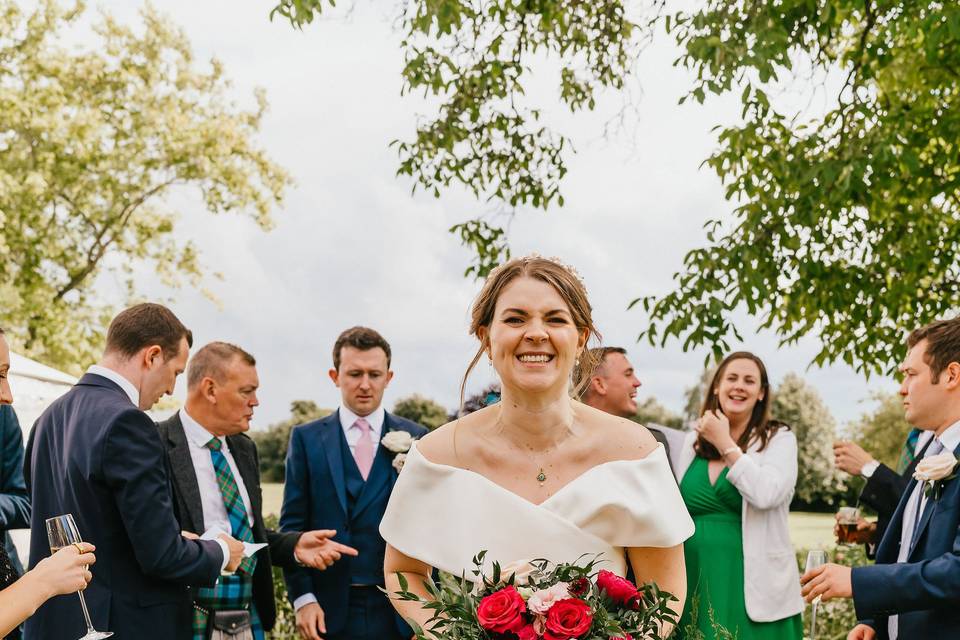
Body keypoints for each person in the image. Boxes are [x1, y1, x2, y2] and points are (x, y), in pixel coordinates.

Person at [379, 255, 694, 637]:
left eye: (555, 319)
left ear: (580, 339)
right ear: (485, 336)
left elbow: (664, 595)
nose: (535, 333)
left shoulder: (634, 452)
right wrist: (453, 635)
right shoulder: (438, 455)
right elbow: (403, 571)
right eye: (515, 319)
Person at [24, 304, 244, 640]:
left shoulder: (47, 420)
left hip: (54, 624)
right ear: (152, 356)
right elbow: (162, 556)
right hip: (121, 626)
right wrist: (222, 551)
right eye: (175, 372)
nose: (171, 389)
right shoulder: (128, 422)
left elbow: (93, 522)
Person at [156, 341, 359, 640]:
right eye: (246, 391)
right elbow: (155, 542)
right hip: (184, 619)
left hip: (247, 617)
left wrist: (294, 547)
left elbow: (249, 535)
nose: (256, 402)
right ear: (210, 390)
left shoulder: (243, 448)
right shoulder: (156, 444)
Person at [801, 318, 960, 640]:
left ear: (951, 376)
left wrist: (857, 583)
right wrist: (877, 622)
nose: (901, 388)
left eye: (911, 374)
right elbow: (911, 548)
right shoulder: (929, 450)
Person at [280, 326, 428, 640]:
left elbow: (429, 528)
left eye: (374, 374)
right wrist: (303, 599)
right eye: (354, 374)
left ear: (389, 378)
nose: (364, 385)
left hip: (400, 609)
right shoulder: (306, 439)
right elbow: (291, 526)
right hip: (328, 610)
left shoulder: (417, 438)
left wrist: (426, 611)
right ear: (335, 376)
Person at [674, 352, 803, 639]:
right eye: (732, 378)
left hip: (751, 583)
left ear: (761, 393)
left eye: (749, 381)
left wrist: (724, 442)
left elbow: (767, 493)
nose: (739, 386)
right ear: (717, 386)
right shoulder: (691, 442)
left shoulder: (779, 438)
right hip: (693, 576)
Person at [0, 328, 93, 639]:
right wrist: (43, 581)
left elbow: (24, 502)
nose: (8, 395)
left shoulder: (5, 419)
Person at [833, 430, 933, 556]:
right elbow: (905, 509)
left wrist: (869, 468)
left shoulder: (944, 443)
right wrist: (874, 533)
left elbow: (926, 510)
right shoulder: (916, 438)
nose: (903, 408)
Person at [576, 346, 672, 464]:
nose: (637, 383)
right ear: (600, 385)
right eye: (628, 374)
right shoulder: (560, 444)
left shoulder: (653, 442)